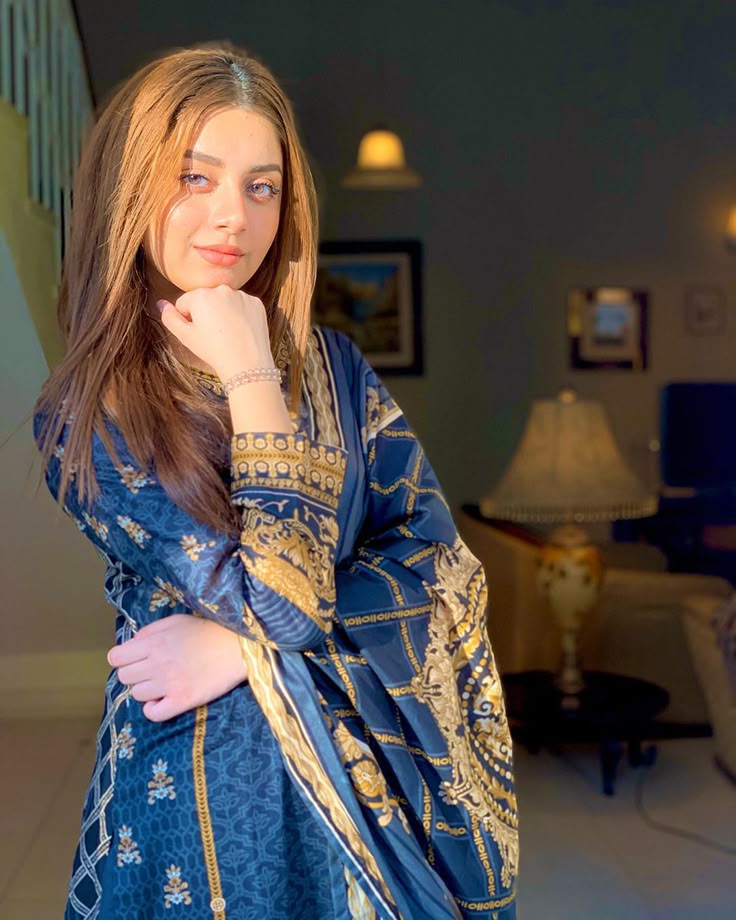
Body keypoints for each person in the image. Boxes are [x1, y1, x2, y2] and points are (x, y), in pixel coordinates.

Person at [34, 42, 518, 920]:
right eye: (194, 177)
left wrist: (237, 647)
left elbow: (440, 564)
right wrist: (255, 379)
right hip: (203, 797)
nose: (235, 216)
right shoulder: (90, 413)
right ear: (125, 189)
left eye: (262, 186)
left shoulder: (334, 367)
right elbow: (284, 606)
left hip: (373, 790)